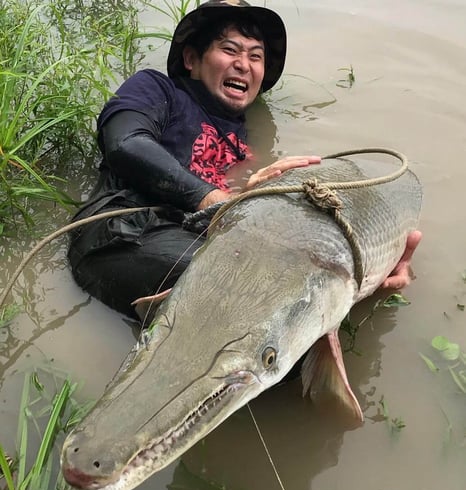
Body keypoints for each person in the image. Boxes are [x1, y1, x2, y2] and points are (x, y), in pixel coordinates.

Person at [68, 0, 420, 320]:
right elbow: (124, 143)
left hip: (200, 244)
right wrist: (214, 199)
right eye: (230, 49)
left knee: (295, 302)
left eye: (255, 56)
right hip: (120, 235)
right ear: (191, 59)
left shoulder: (247, 143)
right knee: (264, 295)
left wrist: (371, 265)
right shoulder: (159, 89)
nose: (243, 64)